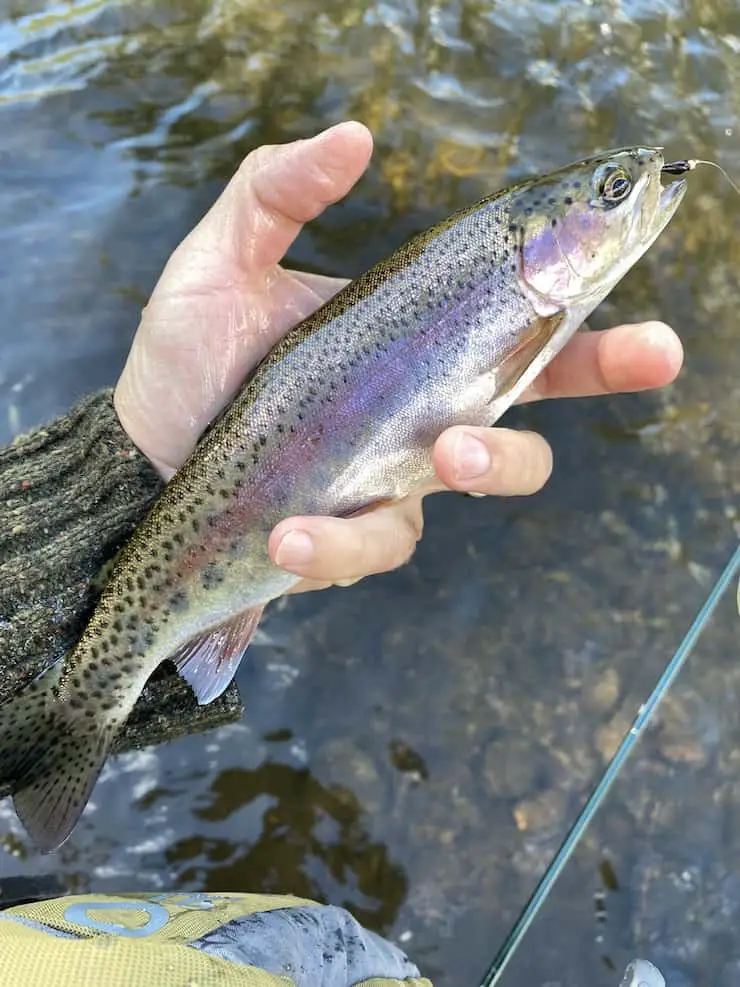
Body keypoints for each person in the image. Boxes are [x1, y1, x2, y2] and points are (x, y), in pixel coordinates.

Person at [0, 122, 684, 985]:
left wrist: (135, 465)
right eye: (610, 196)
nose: (634, 191)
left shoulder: (515, 275)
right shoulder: (507, 280)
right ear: (533, 245)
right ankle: (77, 708)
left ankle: (81, 702)